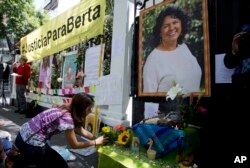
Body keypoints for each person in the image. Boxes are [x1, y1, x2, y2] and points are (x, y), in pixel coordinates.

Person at [12, 93, 108, 167]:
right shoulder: (67, 118)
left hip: (23, 134)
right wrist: (95, 142)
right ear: (82, 109)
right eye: (89, 109)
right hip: (30, 143)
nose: (90, 111)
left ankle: (19, 159)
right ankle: (18, 160)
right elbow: (74, 145)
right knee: (58, 165)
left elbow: (81, 130)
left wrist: (96, 138)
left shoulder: (66, 108)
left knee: (57, 162)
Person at [143, 6, 202, 93]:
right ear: (160, 31)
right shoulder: (153, 61)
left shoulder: (183, 47)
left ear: (181, 24)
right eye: (166, 26)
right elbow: (149, 100)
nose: (171, 28)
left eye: (175, 22)